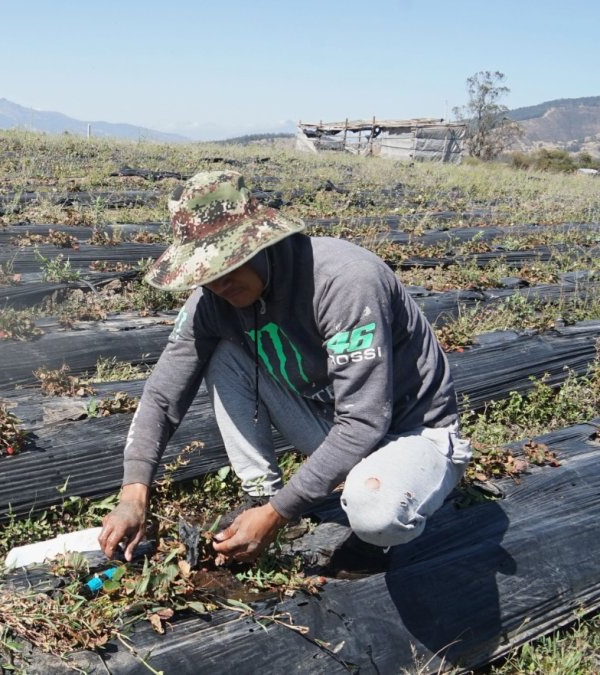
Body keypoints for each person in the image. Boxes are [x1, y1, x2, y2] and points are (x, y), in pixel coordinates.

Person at [98, 170, 471, 566]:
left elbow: (363, 421)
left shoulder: (343, 281)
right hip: (333, 422)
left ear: (260, 241)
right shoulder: (211, 303)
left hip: (411, 434)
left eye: (227, 265)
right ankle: (259, 493)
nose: (219, 284)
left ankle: (374, 536)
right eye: (205, 274)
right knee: (223, 355)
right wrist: (132, 494)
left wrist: (279, 513)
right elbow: (162, 395)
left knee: (375, 510)